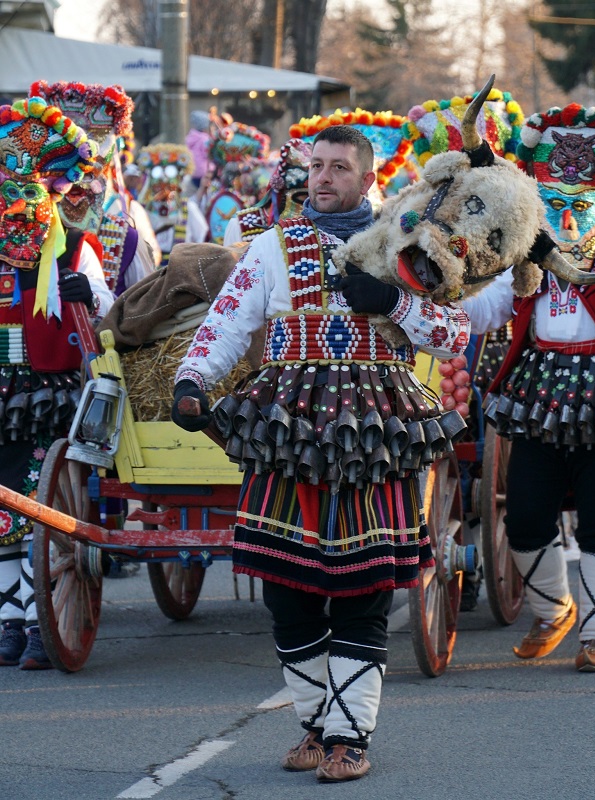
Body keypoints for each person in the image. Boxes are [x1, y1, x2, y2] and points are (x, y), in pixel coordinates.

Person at [171, 125, 470, 780]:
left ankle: (348, 736)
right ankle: (315, 722)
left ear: (367, 179)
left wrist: (394, 301)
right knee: (285, 584)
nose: (322, 178)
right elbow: (227, 319)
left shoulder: (408, 245)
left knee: (361, 587)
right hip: (289, 425)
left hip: (373, 431)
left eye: (338, 167)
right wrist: (191, 381)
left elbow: (453, 332)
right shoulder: (273, 247)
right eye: (316, 167)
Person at [463, 102, 595, 672]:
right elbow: (488, 307)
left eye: (581, 206)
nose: (567, 220)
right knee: (521, 518)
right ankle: (554, 610)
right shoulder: (526, 257)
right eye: (555, 206)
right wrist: (428, 303)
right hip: (540, 393)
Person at [0, 96, 114, 669]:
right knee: (2, 511)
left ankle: (35, 620)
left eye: (26, 197)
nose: (15, 210)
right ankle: (8, 622)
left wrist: (87, 296)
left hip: (47, 393)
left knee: (37, 504)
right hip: (2, 393)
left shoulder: (74, 247)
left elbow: (112, 312)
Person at [29, 80, 156, 296]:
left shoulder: (124, 238)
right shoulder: (23, 233)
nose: (75, 189)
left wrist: (95, 302)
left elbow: (145, 310)